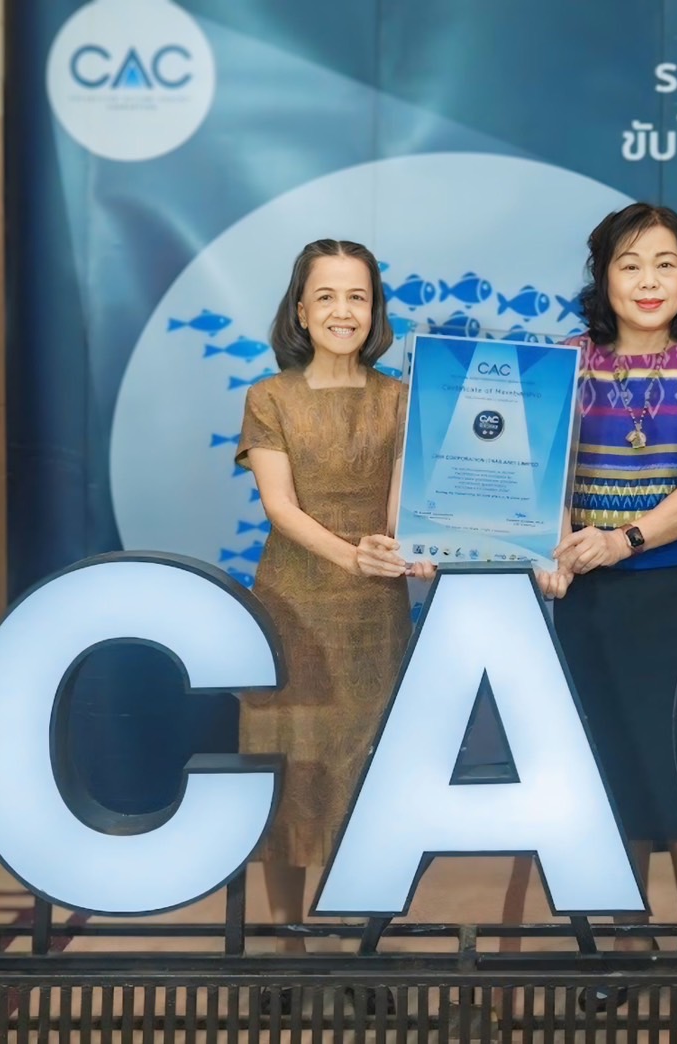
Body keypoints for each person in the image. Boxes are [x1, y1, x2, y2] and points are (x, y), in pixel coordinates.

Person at [552, 203, 677, 987]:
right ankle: (626, 943)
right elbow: (542, 471)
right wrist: (559, 544)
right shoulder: (567, 362)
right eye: (629, 263)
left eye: (665, 264)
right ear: (603, 276)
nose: (648, 280)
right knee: (610, 764)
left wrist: (624, 538)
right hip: (589, 595)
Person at [235, 239, 434, 972]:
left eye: (358, 297)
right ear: (300, 310)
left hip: (374, 614)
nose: (342, 311)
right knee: (291, 767)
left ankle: (361, 947)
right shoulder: (269, 397)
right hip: (291, 605)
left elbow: (400, 505)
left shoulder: (400, 398)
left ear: (375, 311)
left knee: (367, 769)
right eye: (326, 296)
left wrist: (401, 547)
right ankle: (287, 942)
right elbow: (280, 508)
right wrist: (352, 554)